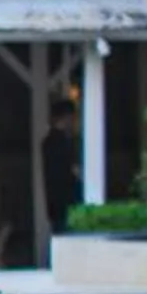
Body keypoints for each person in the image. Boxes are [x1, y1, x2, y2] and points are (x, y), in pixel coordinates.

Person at [42, 98, 82, 236]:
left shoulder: (48, 142)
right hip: (69, 206)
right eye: (74, 117)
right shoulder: (64, 143)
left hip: (56, 206)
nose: (75, 122)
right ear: (67, 117)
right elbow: (75, 172)